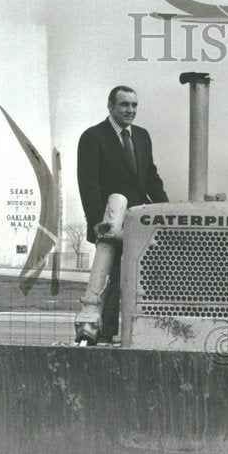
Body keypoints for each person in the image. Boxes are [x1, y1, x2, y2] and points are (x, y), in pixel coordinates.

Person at [77, 85, 168, 342]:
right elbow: (88, 184)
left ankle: (144, 334)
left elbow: (151, 178)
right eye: (124, 105)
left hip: (140, 223)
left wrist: (166, 211)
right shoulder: (93, 137)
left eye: (134, 105)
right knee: (112, 281)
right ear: (110, 106)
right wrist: (100, 226)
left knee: (146, 278)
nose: (130, 110)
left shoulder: (142, 136)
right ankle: (102, 337)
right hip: (111, 223)